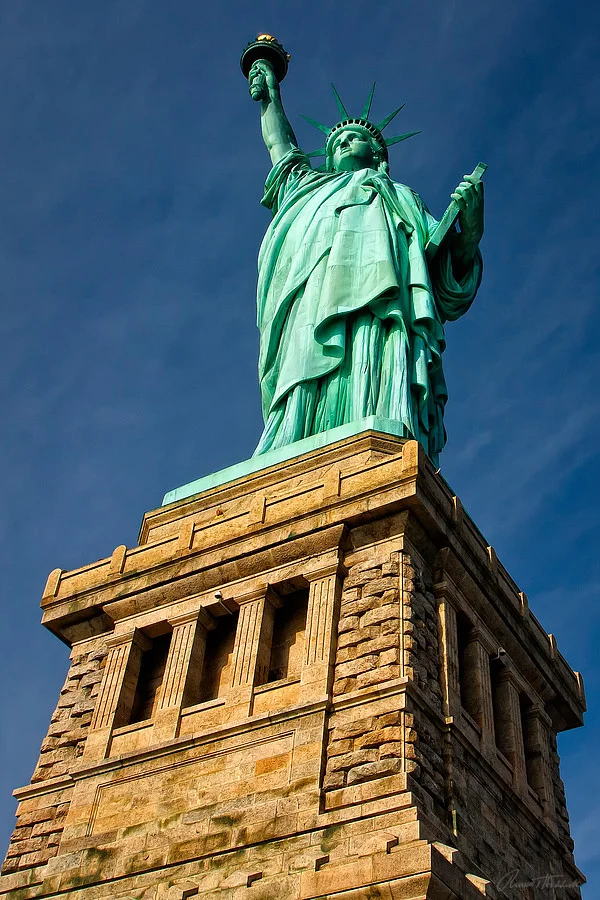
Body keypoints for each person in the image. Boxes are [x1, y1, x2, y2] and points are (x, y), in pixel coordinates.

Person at [249, 60, 484, 466]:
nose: (341, 143)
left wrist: (472, 232)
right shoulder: (306, 187)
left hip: (383, 310)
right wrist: (272, 97)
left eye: (353, 138)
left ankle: (377, 420)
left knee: (373, 364)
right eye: (334, 142)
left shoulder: (401, 197)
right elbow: (280, 147)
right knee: (306, 368)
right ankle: (294, 436)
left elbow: (445, 268)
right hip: (311, 305)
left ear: (376, 154)